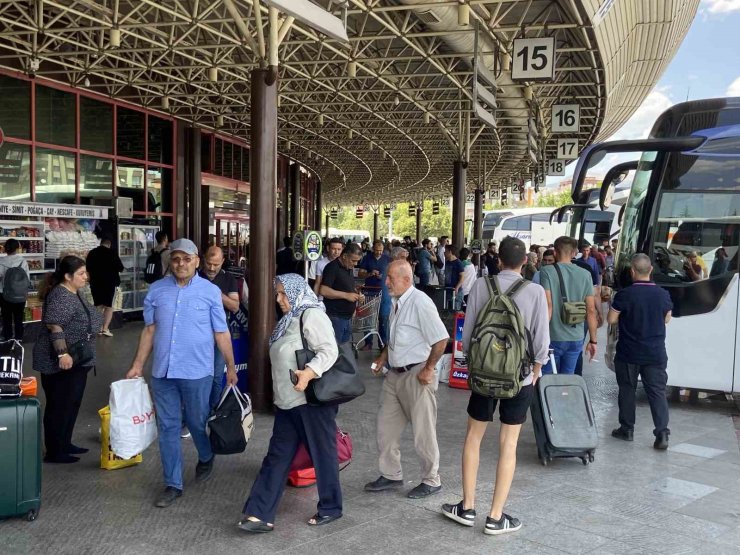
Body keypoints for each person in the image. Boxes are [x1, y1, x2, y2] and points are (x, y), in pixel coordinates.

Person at [442, 236, 549, 535]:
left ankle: (467, 507)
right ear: (525, 261)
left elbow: (468, 333)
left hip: (484, 374)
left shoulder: (481, 286)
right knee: (508, 444)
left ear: (498, 259)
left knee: (474, 438)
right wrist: (537, 369)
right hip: (520, 376)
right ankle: (495, 516)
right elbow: (541, 340)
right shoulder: (535, 291)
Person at [125, 239, 238, 508]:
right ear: (170, 261)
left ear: (196, 261)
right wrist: (138, 364)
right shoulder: (155, 291)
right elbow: (150, 330)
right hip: (163, 372)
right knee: (168, 427)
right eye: (176, 259)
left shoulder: (210, 292)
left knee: (197, 422)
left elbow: (221, 332)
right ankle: (173, 483)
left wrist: (231, 367)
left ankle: (206, 454)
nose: (181, 264)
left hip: (197, 371)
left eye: (187, 259)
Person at [239, 274, 341, 532]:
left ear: (296, 292)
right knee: (276, 457)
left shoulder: (312, 315)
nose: (279, 299)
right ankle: (259, 514)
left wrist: (309, 372)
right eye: (278, 293)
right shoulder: (288, 320)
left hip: (310, 402)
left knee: (323, 455)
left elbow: (329, 350)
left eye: (284, 294)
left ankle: (331, 507)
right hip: (287, 403)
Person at [365, 261, 449, 499]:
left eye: (390, 278)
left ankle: (432, 480)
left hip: (417, 374)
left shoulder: (420, 302)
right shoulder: (396, 302)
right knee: (385, 428)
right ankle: (391, 475)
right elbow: (395, 337)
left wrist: (429, 369)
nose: (386, 282)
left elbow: (441, 339)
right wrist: (383, 357)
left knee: (423, 431)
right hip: (395, 374)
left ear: (407, 279)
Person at [33, 256, 103, 463]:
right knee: (59, 405)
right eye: (81, 274)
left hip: (78, 360)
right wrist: (62, 353)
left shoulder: (74, 292)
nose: (86, 277)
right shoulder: (61, 296)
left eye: (85, 272)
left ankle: (65, 442)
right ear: (67, 276)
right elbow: (55, 326)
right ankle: (55, 451)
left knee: (71, 403)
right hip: (61, 361)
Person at [607, 253, 673, 450]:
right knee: (657, 392)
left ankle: (627, 429)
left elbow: (611, 319)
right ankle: (662, 433)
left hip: (629, 352)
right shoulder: (662, 294)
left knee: (627, 390)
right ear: (651, 270)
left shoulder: (625, 295)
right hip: (655, 352)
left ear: (632, 271)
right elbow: (667, 318)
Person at [538, 236, 598, 375]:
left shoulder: (547, 271)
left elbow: (548, 305)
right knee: (568, 378)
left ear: (555, 252)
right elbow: (590, 309)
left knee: (547, 380)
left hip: (554, 335)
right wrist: (593, 341)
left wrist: (540, 335)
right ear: (574, 253)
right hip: (576, 336)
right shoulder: (585, 274)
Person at [200, 246, 240, 410]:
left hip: (220, 335)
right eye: (209, 263)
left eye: (216, 264)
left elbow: (235, 306)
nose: (211, 268)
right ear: (203, 260)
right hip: (198, 334)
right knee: (196, 377)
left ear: (222, 262)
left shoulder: (229, 279)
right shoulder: (195, 276)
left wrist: (215, 293)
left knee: (216, 376)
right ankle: (195, 415)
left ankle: (213, 412)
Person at [319, 243, 364, 343]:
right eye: (353, 261)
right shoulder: (332, 268)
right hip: (336, 316)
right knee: (336, 349)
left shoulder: (348, 267)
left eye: (357, 261)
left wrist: (356, 293)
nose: (355, 264)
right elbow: (323, 290)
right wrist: (346, 296)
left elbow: (345, 286)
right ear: (344, 256)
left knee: (344, 349)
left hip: (347, 317)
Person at [85, 236, 124, 337]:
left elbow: (87, 268)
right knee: (109, 306)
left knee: (98, 306)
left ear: (100, 243)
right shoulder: (112, 253)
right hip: (110, 283)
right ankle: (105, 329)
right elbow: (120, 268)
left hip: (95, 283)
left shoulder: (92, 253)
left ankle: (97, 328)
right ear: (109, 244)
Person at [358, 240, 392, 350]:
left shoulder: (387, 259)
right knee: (367, 317)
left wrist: (383, 276)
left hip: (384, 292)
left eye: (381, 251)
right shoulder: (367, 258)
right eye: (377, 250)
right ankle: (368, 342)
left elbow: (392, 274)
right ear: (373, 249)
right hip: (369, 291)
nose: (379, 253)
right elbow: (360, 273)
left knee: (384, 318)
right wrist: (369, 273)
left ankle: (383, 343)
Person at [0, 238, 30, 341]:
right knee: (19, 318)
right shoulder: (22, 261)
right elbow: (27, 278)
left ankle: (8, 338)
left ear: (5, 249)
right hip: (20, 294)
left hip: (4, 294)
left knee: (6, 318)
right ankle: (19, 338)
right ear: (17, 248)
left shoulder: (1, 261)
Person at [444, 245, 465, 310]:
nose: (444, 253)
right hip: (448, 290)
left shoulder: (458, 263)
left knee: (455, 311)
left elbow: (462, 277)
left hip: (456, 292)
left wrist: (457, 287)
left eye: (446, 251)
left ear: (450, 252)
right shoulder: (447, 262)